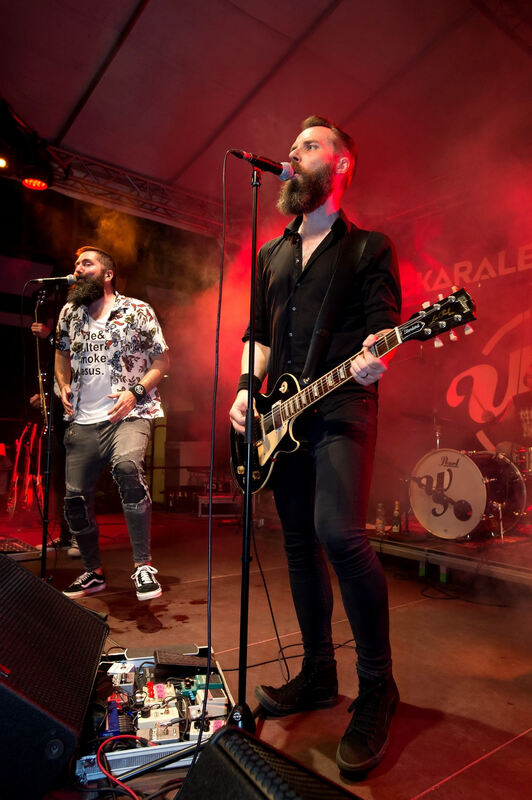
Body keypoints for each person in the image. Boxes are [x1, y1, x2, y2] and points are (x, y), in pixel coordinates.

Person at [229, 116, 402, 776]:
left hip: (344, 408)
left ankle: (379, 685)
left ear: (341, 165)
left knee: (339, 533)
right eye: (292, 146)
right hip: (284, 417)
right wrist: (249, 387)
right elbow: (257, 333)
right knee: (298, 542)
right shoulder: (271, 255)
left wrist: (376, 357)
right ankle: (319, 673)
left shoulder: (367, 249)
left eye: (307, 146)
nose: (291, 155)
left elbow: (383, 332)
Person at [55, 246, 169, 601]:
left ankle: (143, 566)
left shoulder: (136, 310)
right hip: (82, 420)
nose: (77, 268)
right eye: (75, 264)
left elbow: (162, 362)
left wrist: (134, 392)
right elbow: (60, 355)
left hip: (129, 414)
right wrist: (62, 384)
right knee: (74, 499)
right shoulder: (69, 313)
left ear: (107, 274)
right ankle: (93, 572)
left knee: (128, 469)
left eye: (86, 263)